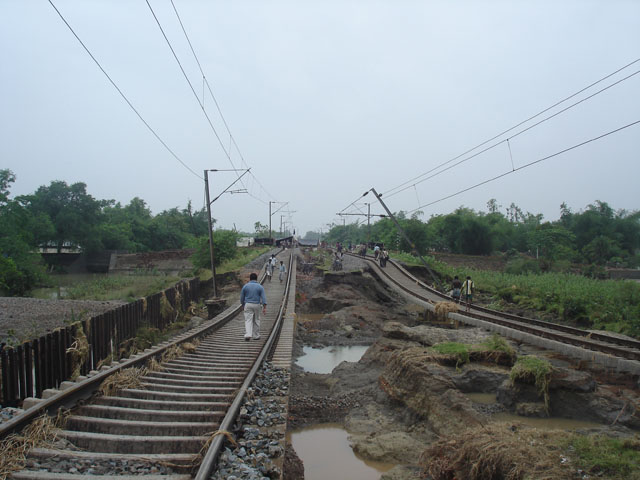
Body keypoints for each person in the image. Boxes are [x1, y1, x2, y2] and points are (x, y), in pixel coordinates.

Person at [240, 272, 267, 341]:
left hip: (248, 304)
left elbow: (242, 297)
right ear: (256, 279)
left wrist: (242, 304)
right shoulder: (260, 287)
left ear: (250, 279)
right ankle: (256, 336)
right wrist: (264, 307)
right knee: (256, 320)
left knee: (248, 320)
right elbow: (263, 298)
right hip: (257, 305)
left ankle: (248, 334)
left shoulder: (245, 286)